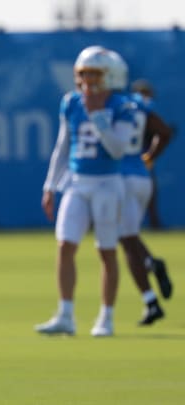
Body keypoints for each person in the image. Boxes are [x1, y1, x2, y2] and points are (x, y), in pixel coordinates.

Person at [36, 46, 134, 337]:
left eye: (95, 74)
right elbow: (63, 146)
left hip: (107, 183)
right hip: (77, 182)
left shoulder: (122, 106)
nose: (88, 80)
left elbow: (118, 149)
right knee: (65, 246)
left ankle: (107, 317)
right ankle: (65, 314)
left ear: (111, 76)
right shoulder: (71, 102)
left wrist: (100, 120)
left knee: (106, 251)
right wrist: (50, 185)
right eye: (84, 74)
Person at [106, 52, 173, 325]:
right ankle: (151, 295)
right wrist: (150, 157)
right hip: (141, 177)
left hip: (119, 178)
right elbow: (164, 132)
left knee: (126, 243)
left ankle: (151, 276)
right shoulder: (137, 104)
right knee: (128, 238)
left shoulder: (107, 105)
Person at [131, 79, 164, 229]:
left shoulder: (146, 112)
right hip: (125, 160)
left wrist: (150, 155)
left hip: (140, 160)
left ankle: (154, 221)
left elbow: (162, 133)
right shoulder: (129, 109)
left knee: (150, 191)